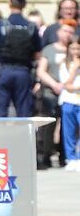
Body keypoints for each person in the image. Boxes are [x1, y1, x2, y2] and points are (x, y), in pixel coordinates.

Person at [0, 0, 42, 117]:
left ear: (10, 3)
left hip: (3, 72)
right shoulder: (31, 27)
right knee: (24, 113)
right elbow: (38, 55)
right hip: (24, 73)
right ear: (24, 4)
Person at [37, 20, 75, 168]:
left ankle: (65, 156)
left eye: (71, 32)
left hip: (70, 93)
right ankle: (44, 155)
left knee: (68, 126)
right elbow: (41, 71)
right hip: (51, 91)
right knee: (48, 125)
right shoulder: (49, 49)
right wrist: (54, 84)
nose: (67, 34)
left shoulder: (74, 50)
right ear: (58, 32)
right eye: (65, 31)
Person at [58, 40, 80, 171]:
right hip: (68, 101)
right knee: (69, 131)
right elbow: (66, 84)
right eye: (73, 48)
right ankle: (71, 158)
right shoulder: (64, 64)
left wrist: (73, 87)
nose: (75, 52)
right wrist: (75, 68)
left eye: (78, 48)